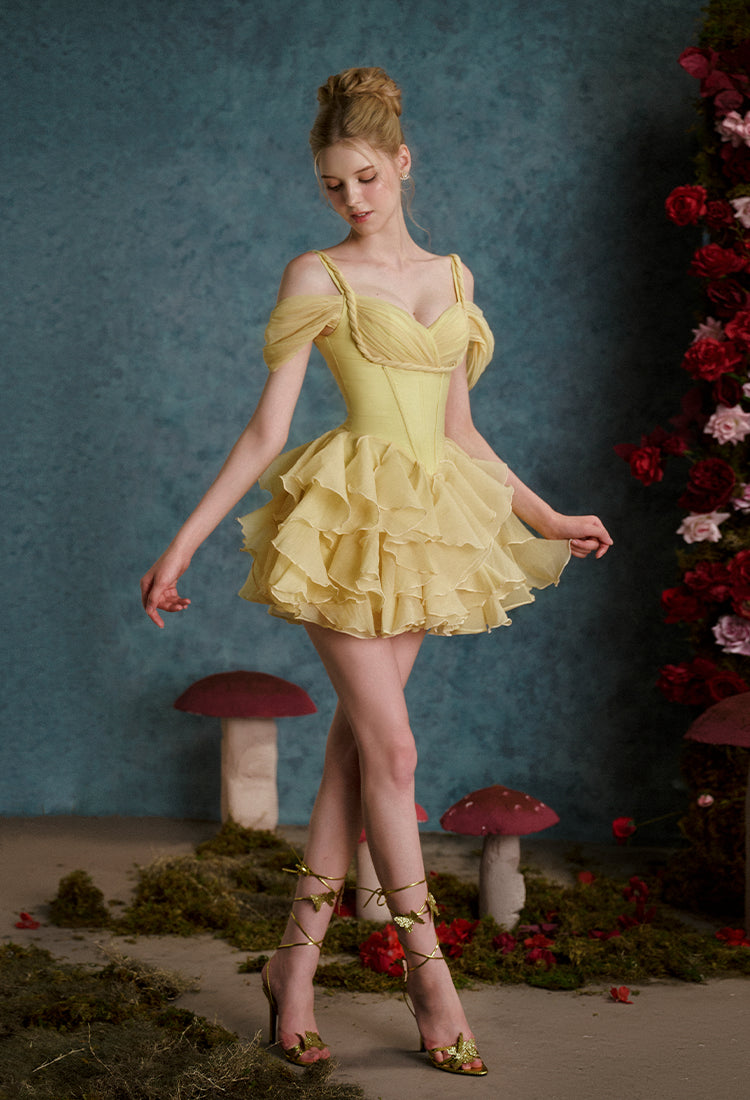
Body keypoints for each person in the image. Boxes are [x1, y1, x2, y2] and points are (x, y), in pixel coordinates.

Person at [141, 66, 612, 1077]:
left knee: (359, 756)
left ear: (403, 162)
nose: (351, 199)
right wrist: (181, 544)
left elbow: (461, 432)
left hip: (428, 526)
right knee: (394, 751)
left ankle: (294, 969)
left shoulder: (455, 276)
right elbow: (267, 429)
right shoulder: (317, 275)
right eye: (331, 185)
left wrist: (547, 515)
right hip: (346, 521)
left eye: (366, 177)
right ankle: (430, 978)